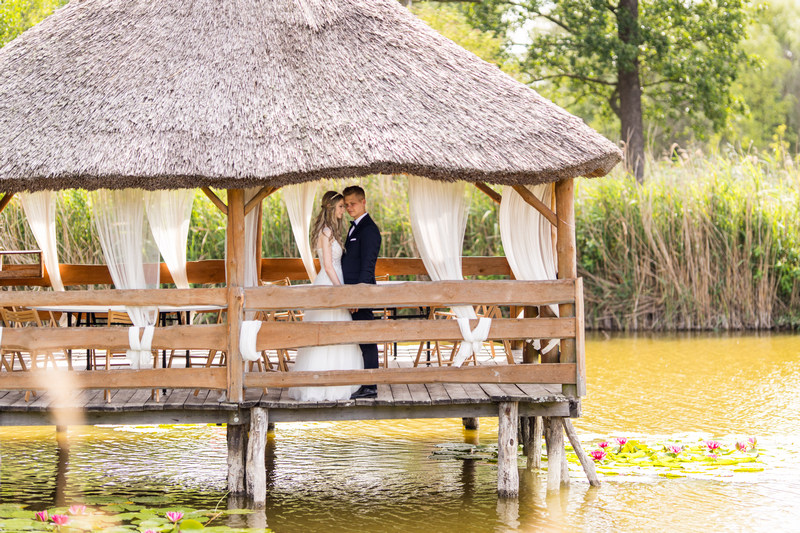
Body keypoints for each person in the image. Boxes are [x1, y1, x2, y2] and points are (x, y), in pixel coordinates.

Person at [288, 191, 364, 402]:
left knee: (340, 331)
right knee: (326, 331)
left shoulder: (333, 231)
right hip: (330, 283)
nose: (344, 210)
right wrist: (340, 290)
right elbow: (328, 266)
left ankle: (340, 378)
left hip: (336, 279)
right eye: (340, 206)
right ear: (331, 208)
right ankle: (320, 384)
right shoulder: (326, 232)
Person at [341, 185, 382, 399]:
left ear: (364, 202)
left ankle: (370, 385)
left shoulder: (369, 230)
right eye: (346, 204)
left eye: (353, 204)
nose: (349, 208)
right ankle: (363, 381)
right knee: (359, 337)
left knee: (367, 338)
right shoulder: (355, 227)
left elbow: (367, 266)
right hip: (351, 293)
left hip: (360, 293)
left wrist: (358, 295)